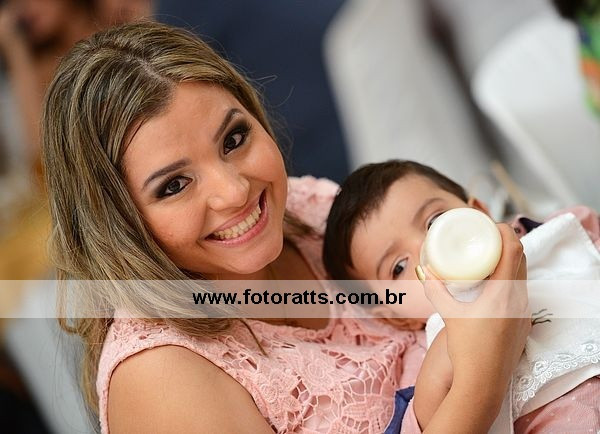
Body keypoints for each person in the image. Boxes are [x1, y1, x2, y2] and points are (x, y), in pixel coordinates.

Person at [41, 22, 530, 433]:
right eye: (174, 185)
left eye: (234, 139)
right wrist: (482, 378)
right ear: (117, 224)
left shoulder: (306, 209)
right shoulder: (162, 379)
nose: (234, 191)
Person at [323, 160, 600, 433]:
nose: (430, 246)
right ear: (396, 315)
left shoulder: (548, 239)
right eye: (399, 266)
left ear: (479, 211)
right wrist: (434, 380)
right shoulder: (424, 361)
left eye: (435, 220)